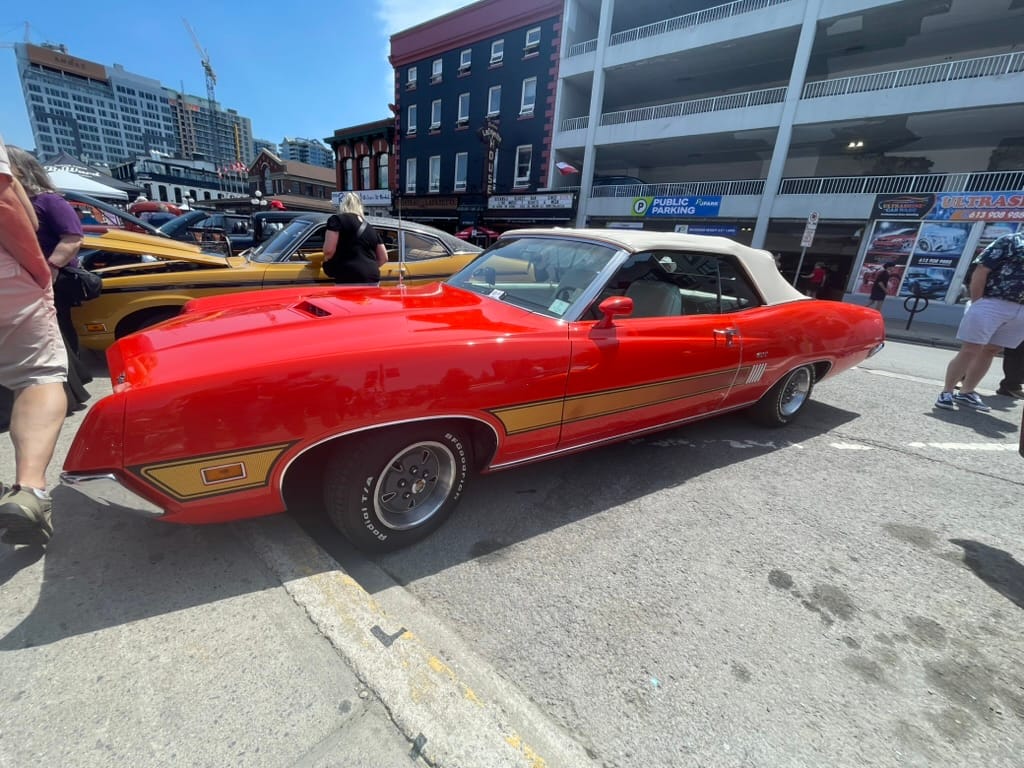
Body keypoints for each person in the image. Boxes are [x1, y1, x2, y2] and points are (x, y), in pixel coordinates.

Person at [0, 135, 68, 546]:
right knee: (37, 376)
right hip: (8, 277)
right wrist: (39, 270)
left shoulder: (53, 202)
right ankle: (29, 490)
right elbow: (4, 200)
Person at [7, 146, 91, 414]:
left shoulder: (48, 201)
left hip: (49, 277)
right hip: (26, 280)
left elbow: (73, 238)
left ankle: (62, 396)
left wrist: (50, 268)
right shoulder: (21, 202)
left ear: (20, 170)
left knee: (53, 340)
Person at [935, 231, 1024, 412]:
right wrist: (978, 302)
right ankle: (947, 392)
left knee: (992, 350)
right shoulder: (1011, 240)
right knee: (971, 348)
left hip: (1020, 309)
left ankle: (967, 391)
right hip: (994, 301)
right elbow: (982, 269)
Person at [322, 192, 388, 284]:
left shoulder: (337, 220)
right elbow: (384, 258)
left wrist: (325, 260)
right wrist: (367, 267)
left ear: (343, 205)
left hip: (348, 274)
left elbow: (329, 251)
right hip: (372, 276)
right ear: (360, 207)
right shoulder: (370, 227)